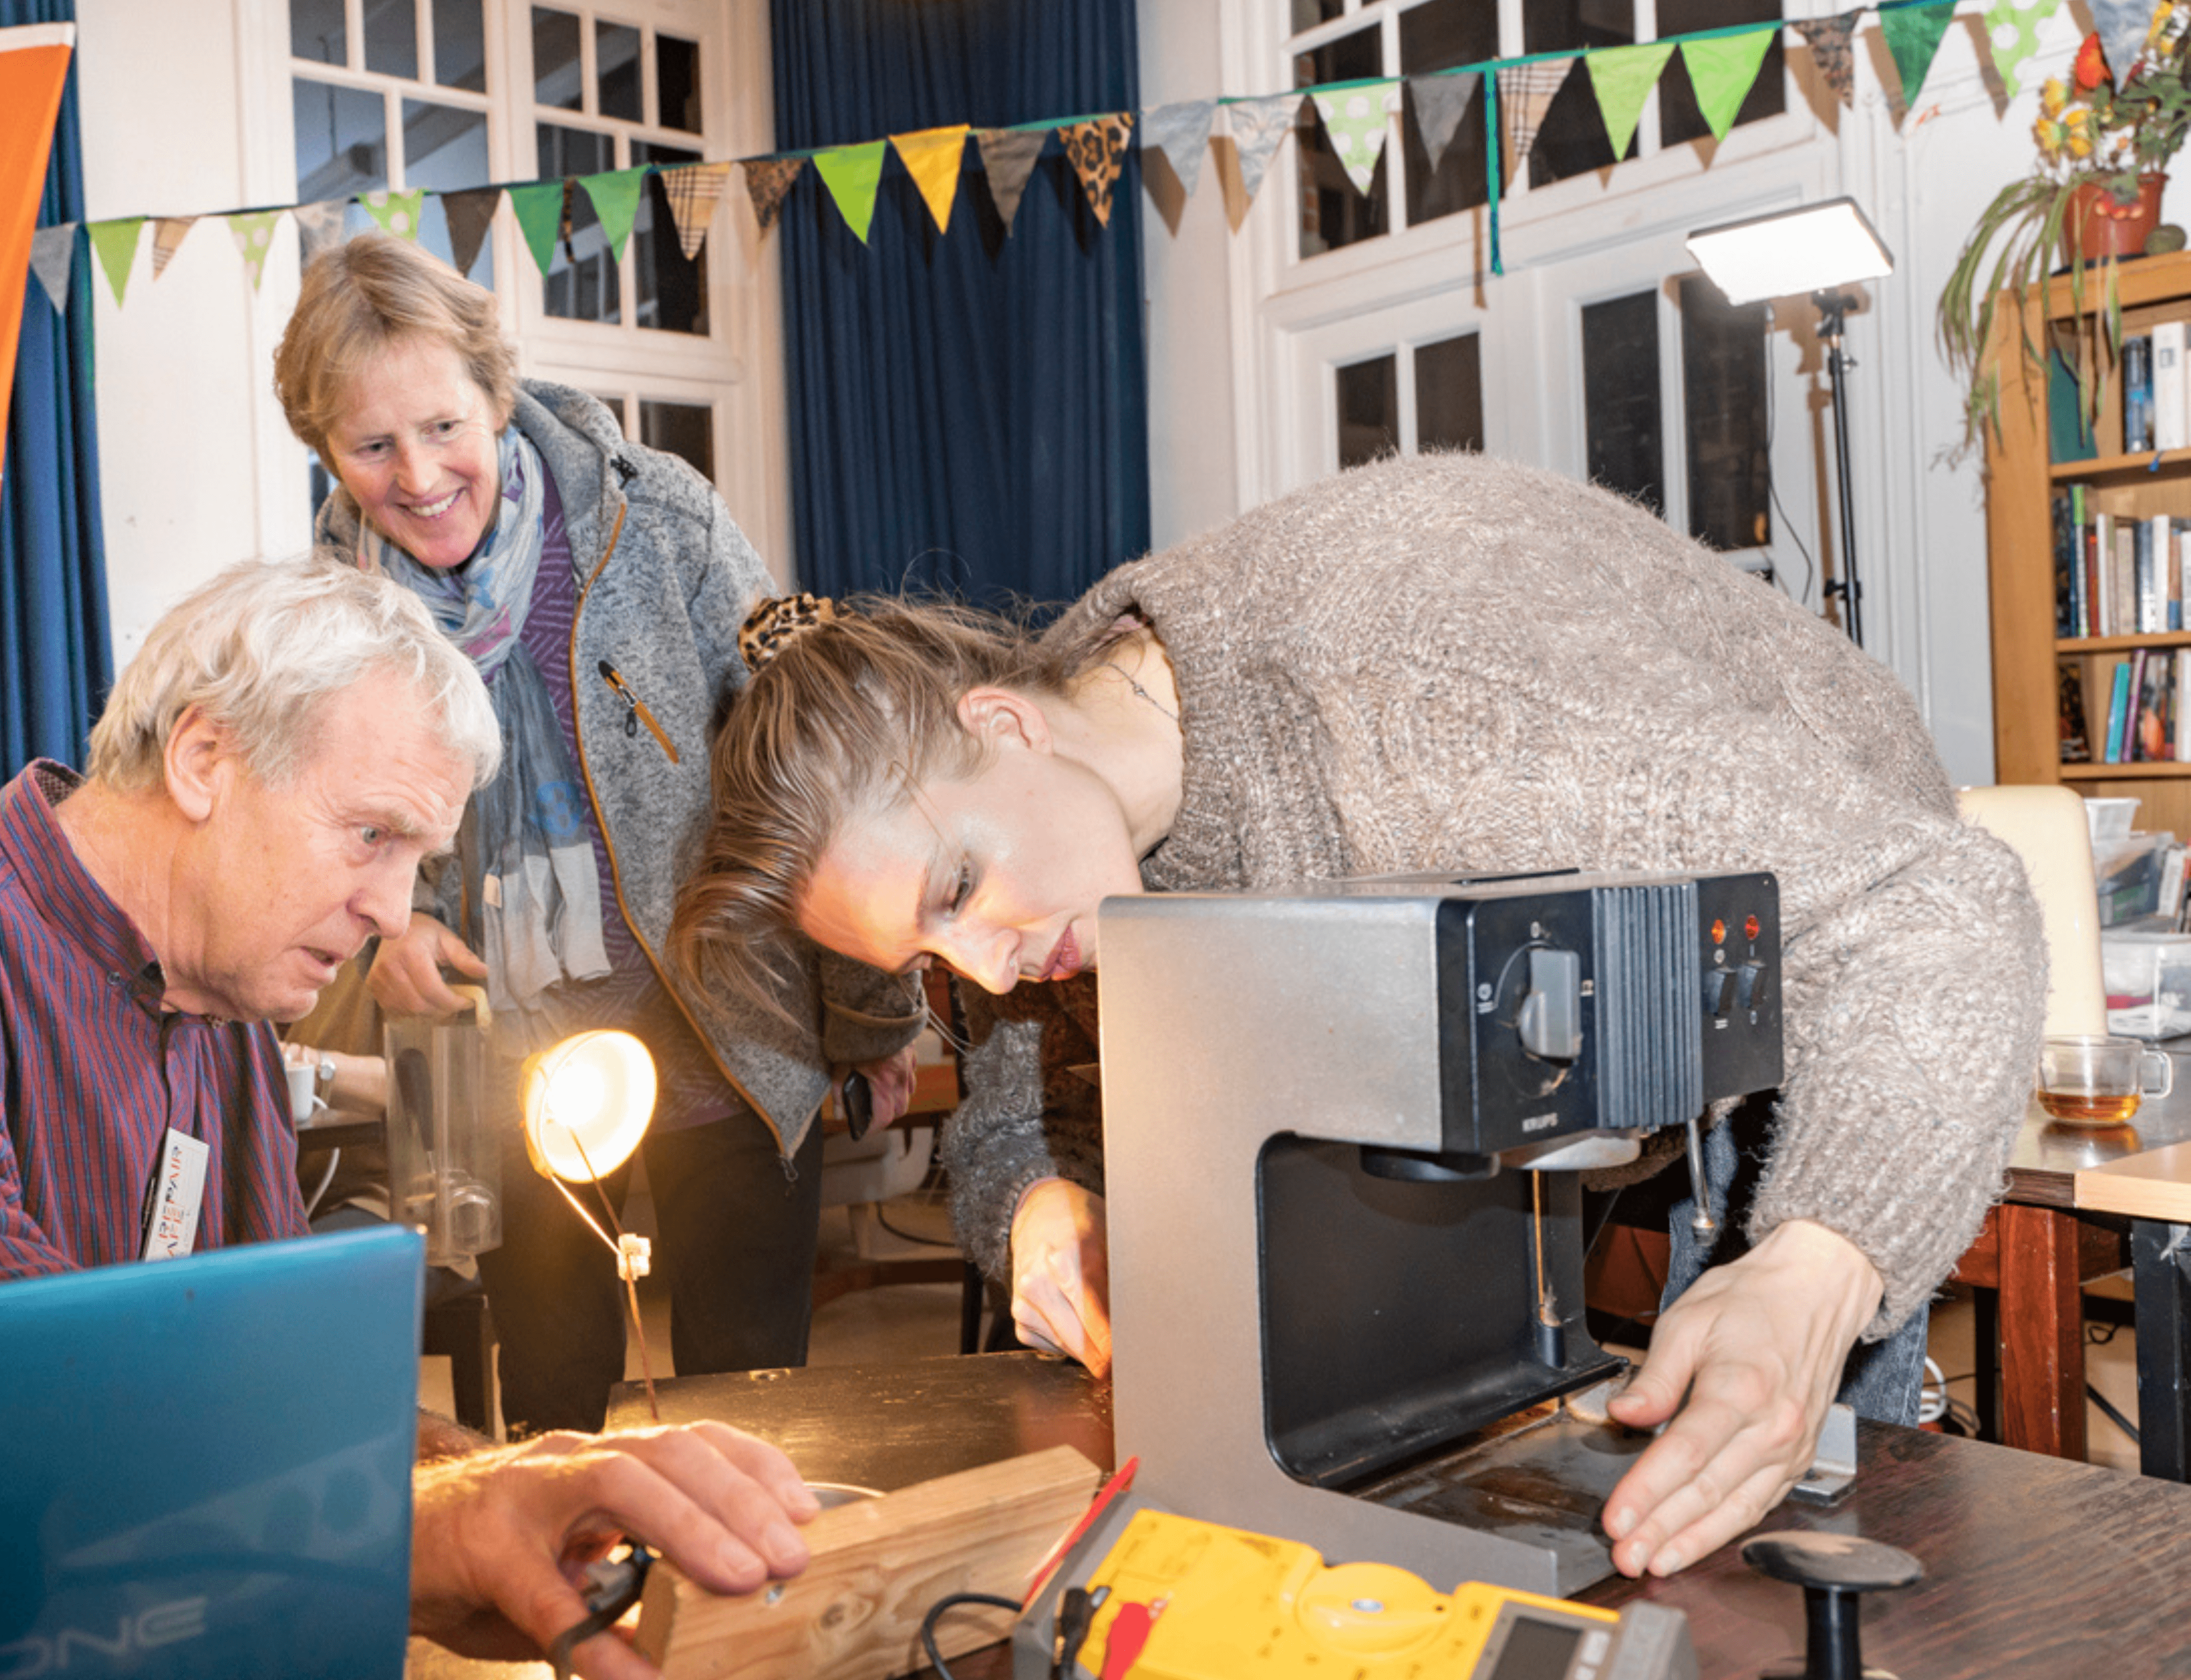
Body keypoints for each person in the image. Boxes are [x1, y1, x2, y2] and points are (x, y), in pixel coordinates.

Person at [673, 453, 2045, 1580]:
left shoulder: (1426, 696)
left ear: (1006, 724)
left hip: (1836, 990)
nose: (978, 967)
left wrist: (1818, 1266)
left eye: (955, 891)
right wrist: (1040, 1203)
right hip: (1559, 1068)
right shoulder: (1058, 826)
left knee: (1786, 1533)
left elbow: (1941, 908)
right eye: (928, 950)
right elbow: (1011, 1107)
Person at [0, 560, 818, 1678]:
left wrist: (499, 1476)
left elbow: (257, 1390)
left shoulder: (222, 1011)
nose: (392, 913)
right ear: (203, 757)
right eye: (372, 835)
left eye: (419, 858)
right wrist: (405, 1524)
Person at [270, 234, 920, 1434]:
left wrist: (870, 1013)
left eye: (443, 427)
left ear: (496, 395)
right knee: (557, 1412)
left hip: (728, 1038)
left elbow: (811, 766)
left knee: (751, 1409)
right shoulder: (324, 621)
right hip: (513, 1079)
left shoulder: (660, 520)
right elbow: (323, 828)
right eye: (371, 446)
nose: (418, 477)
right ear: (325, 450)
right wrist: (392, 931)